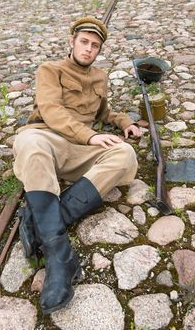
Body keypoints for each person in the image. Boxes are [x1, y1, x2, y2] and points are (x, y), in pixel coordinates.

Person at [13, 16, 141, 315]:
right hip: (48, 140)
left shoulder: (99, 77)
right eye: (84, 42)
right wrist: (91, 135)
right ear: (72, 42)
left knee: (125, 155)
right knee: (30, 144)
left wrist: (125, 123)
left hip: (80, 150)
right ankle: (60, 256)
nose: (89, 49)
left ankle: (39, 222)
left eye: (95, 46)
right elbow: (51, 109)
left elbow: (105, 111)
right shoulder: (50, 70)